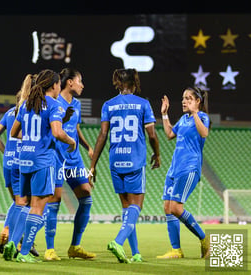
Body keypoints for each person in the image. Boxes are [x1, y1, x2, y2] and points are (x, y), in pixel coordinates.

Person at [4, 69, 76, 263]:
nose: (59, 86)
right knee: (39, 207)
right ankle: (25, 252)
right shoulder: (54, 105)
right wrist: (71, 141)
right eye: (59, 83)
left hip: (24, 160)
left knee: (26, 205)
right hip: (43, 160)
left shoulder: (27, 104)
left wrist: (30, 139)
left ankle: (12, 242)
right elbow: (58, 132)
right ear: (53, 86)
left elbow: (13, 132)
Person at [89, 68, 160, 263]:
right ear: (134, 82)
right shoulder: (143, 104)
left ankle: (135, 253)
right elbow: (152, 135)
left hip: (115, 161)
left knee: (127, 209)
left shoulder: (108, 105)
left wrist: (93, 165)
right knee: (136, 206)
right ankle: (118, 242)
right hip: (135, 160)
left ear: (118, 83)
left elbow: (103, 135)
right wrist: (158, 154)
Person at [44, 68, 95, 261]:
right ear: (70, 83)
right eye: (80, 81)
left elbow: (76, 128)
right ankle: (49, 249)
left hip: (74, 159)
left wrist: (87, 146)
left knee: (86, 196)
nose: (82, 85)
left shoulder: (77, 104)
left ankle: (75, 246)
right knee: (53, 201)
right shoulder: (53, 103)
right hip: (56, 157)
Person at [157, 87, 210, 259]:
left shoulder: (202, 117)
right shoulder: (183, 119)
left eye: (188, 98)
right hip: (174, 169)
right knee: (167, 207)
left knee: (176, 208)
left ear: (197, 102)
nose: (184, 101)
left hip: (189, 168)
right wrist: (165, 114)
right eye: (183, 98)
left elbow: (204, 133)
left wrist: (195, 113)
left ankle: (204, 239)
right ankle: (176, 250)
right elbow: (170, 134)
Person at [0, 75, 34, 254]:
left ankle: (11, 233)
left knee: (17, 202)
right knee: (24, 203)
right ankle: (11, 235)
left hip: (7, 162)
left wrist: (6, 151)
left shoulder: (9, 113)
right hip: (21, 161)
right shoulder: (30, 111)